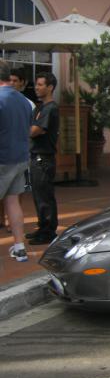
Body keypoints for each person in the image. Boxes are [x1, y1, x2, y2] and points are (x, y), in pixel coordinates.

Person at [0, 60, 32, 261]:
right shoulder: (24, 101)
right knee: (13, 201)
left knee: (12, 201)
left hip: (2, 158)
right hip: (20, 158)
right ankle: (19, 248)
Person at [27, 72, 60, 245]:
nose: (37, 87)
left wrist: (30, 128)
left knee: (44, 196)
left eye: (40, 84)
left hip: (43, 159)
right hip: (37, 157)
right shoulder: (40, 108)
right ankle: (42, 227)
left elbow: (34, 131)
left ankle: (48, 232)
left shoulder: (50, 108)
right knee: (38, 195)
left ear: (50, 87)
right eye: (36, 84)